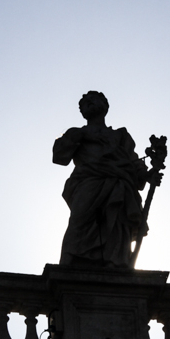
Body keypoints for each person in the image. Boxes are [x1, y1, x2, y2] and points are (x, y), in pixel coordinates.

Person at [53, 91, 154, 268]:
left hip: (119, 182)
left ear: (105, 106)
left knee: (115, 222)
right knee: (80, 219)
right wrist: (79, 136)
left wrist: (146, 174)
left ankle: (115, 263)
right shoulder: (76, 133)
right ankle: (69, 262)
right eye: (84, 103)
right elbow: (59, 157)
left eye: (93, 99)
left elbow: (133, 161)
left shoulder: (120, 136)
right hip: (88, 180)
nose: (88, 103)